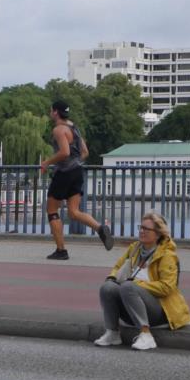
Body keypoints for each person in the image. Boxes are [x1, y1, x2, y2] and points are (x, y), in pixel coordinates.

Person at [95, 210, 190, 351]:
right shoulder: (135, 248)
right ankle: (112, 333)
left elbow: (167, 287)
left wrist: (138, 284)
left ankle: (146, 335)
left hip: (160, 310)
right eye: (140, 227)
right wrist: (112, 278)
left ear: (158, 233)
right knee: (107, 288)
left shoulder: (167, 255)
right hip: (132, 303)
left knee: (128, 286)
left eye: (146, 229)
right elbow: (117, 267)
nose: (141, 231)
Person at [40, 98, 114, 260]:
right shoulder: (74, 128)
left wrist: (47, 162)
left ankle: (61, 250)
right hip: (77, 172)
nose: (49, 112)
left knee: (52, 210)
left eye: (51, 110)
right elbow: (85, 152)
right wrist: (75, 163)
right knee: (74, 212)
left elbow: (65, 152)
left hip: (64, 173)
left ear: (55, 112)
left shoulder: (59, 130)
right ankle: (99, 228)